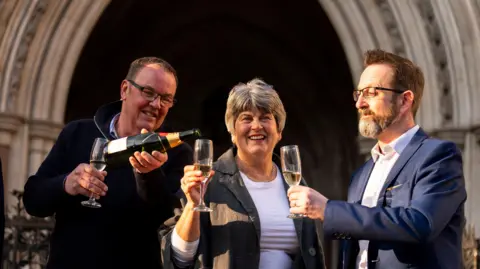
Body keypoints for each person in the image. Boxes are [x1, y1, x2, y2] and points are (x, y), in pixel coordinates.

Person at [286, 49, 466, 269]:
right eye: (358, 94)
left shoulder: (438, 156)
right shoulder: (361, 174)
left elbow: (421, 224)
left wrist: (329, 210)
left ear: (404, 100)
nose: (359, 103)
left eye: (371, 93)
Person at [23, 57, 192, 269]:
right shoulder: (77, 133)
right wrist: (66, 184)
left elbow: (167, 223)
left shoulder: (176, 152)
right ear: (124, 90)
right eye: (148, 92)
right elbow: (33, 201)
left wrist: (149, 176)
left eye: (166, 99)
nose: (156, 104)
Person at [158, 78, 326, 269]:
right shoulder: (208, 181)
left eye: (265, 117)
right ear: (232, 132)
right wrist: (192, 206)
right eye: (246, 118)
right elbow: (180, 259)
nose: (256, 126)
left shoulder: (295, 183)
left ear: (279, 131)